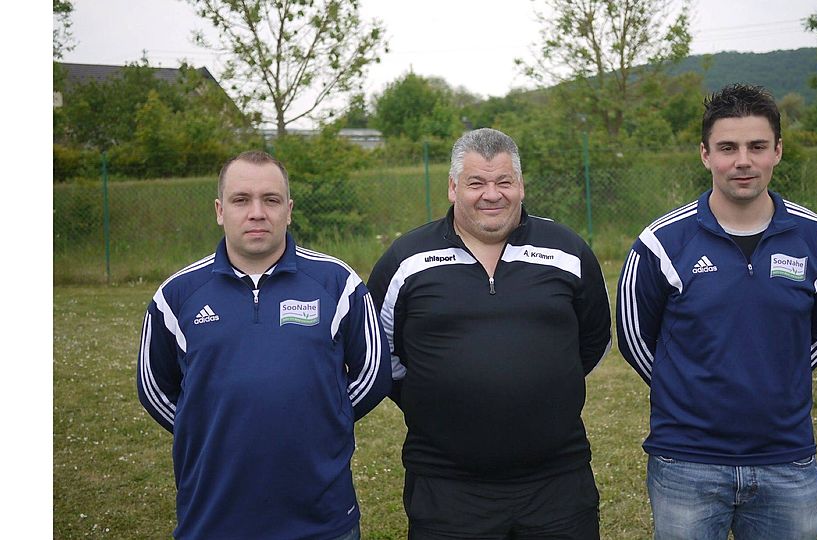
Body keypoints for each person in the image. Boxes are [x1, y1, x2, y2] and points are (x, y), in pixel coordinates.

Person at [616, 83, 817, 539]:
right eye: (727, 147)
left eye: (756, 146)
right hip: (686, 462)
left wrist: (775, 378)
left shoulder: (816, 239)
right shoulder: (661, 243)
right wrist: (689, 391)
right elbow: (634, 339)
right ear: (705, 155)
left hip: (787, 459)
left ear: (777, 151)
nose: (743, 160)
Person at [366, 128, 612, 540]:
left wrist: (543, 384)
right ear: (452, 187)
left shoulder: (567, 251)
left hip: (557, 480)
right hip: (446, 484)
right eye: (476, 182)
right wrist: (430, 395)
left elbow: (593, 339)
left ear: (520, 186)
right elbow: (378, 349)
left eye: (504, 181)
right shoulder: (406, 259)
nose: (491, 194)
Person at [136, 150, 391, 540]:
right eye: (241, 200)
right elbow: (155, 389)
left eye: (270, 200)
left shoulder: (338, 284)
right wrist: (209, 425)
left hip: (321, 521)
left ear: (288, 210)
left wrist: (322, 419)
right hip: (213, 520)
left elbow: (373, 376)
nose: (257, 212)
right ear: (220, 210)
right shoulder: (176, 295)